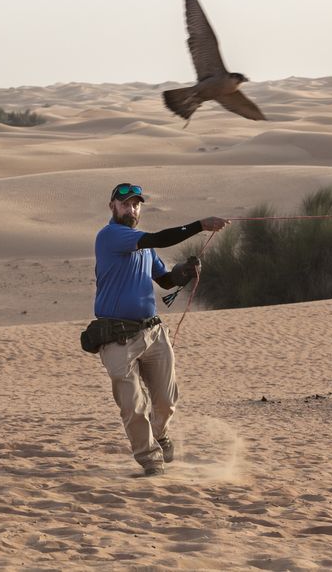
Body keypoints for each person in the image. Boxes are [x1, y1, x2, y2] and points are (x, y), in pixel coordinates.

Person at [92, 182, 228, 476]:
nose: (132, 209)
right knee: (133, 405)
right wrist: (200, 225)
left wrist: (184, 273)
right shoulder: (111, 236)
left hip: (152, 334)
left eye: (136, 204)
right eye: (125, 203)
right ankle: (150, 460)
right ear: (112, 206)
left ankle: (160, 435)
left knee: (166, 401)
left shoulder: (143, 245)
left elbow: (165, 281)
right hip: (116, 338)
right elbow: (160, 238)